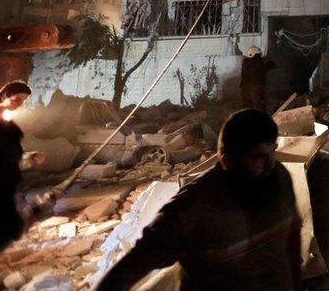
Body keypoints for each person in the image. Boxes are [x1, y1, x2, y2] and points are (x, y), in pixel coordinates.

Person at [97, 109, 302, 290]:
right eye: (256, 157)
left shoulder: (279, 179)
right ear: (227, 161)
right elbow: (128, 270)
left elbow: (292, 239)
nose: (270, 165)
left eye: (272, 151)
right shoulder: (191, 210)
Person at [0, 81, 45, 291]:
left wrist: (28, 157)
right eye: (16, 99)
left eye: (22, 101)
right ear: (3, 96)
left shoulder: (6, 122)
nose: (19, 104)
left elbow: (10, 156)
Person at [240, 46, 275, 112]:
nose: (260, 55)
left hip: (245, 89)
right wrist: (268, 60)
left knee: (246, 107)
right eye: (259, 54)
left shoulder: (245, 62)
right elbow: (271, 66)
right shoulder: (259, 62)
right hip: (256, 90)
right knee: (259, 107)